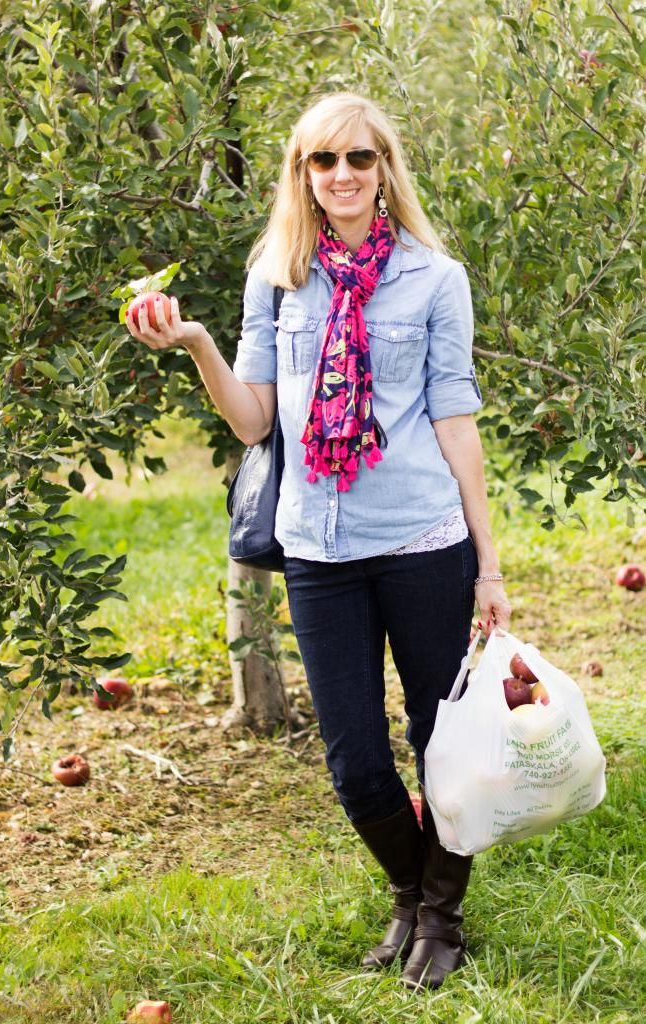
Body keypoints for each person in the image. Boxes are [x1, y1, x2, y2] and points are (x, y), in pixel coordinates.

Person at [125, 92, 511, 992]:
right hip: (318, 547)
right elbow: (257, 417)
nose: (341, 176)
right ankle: (414, 893)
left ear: (385, 169)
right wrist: (195, 345)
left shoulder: (433, 278)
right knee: (352, 760)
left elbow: (456, 422)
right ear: (301, 173)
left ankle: (440, 919)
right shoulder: (277, 275)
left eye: (359, 159)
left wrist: (488, 565)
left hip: (423, 540)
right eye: (322, 161)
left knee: (439, 743)